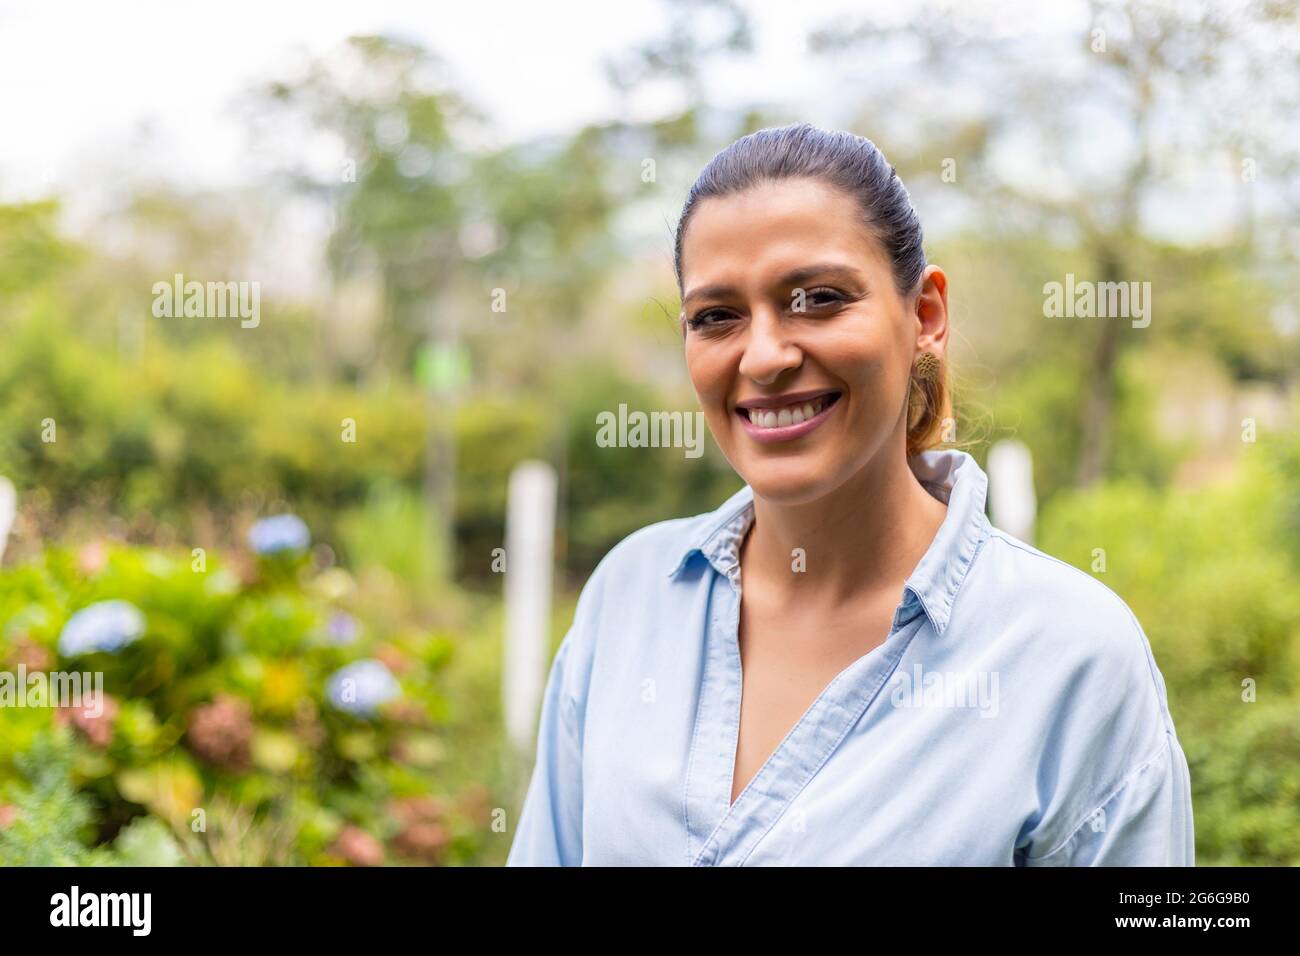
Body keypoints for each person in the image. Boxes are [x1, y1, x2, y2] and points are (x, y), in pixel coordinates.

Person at [506, 123, 1194, 866]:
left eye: (819, 299)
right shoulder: (629, 597)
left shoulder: (1071, 659)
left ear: (925, 315)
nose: (765, 357)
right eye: (716, 316)